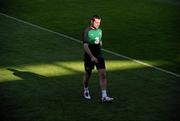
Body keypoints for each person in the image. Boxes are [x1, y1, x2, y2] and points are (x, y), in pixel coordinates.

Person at [82, 15, 114, 102]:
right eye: (96, 22)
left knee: (103, 75)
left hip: (99, 56)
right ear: (92, 21)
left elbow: (100, 41)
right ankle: (86, 89)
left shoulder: (100, 30)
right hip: (89, 57)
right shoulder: (87, 31)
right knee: (88, 74)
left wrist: (99, 51)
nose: (98, 24)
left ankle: (104, 96)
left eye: (99, 22)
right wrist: (92, 56)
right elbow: (85, 46)